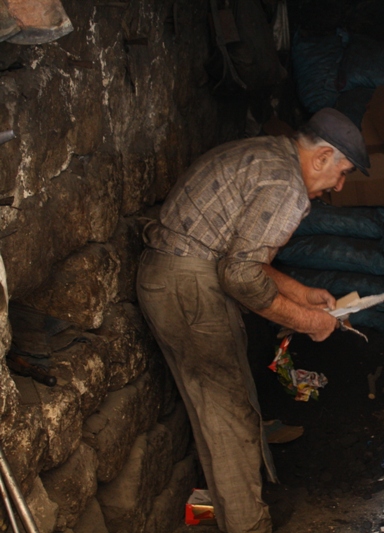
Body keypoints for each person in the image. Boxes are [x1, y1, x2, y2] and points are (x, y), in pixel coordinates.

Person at [136, 108, 369, 533]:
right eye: (342, 172)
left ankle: (239, 514)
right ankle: (248, 526)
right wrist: (308, 321)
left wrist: (299, 293)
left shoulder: (264, 154)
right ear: (322, 157)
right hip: (188, 285)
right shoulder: (287, 185)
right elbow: (239, 275)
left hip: (174, 275)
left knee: (216, 412)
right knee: (230, 415)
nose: (338, 186)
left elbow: (235, 253)